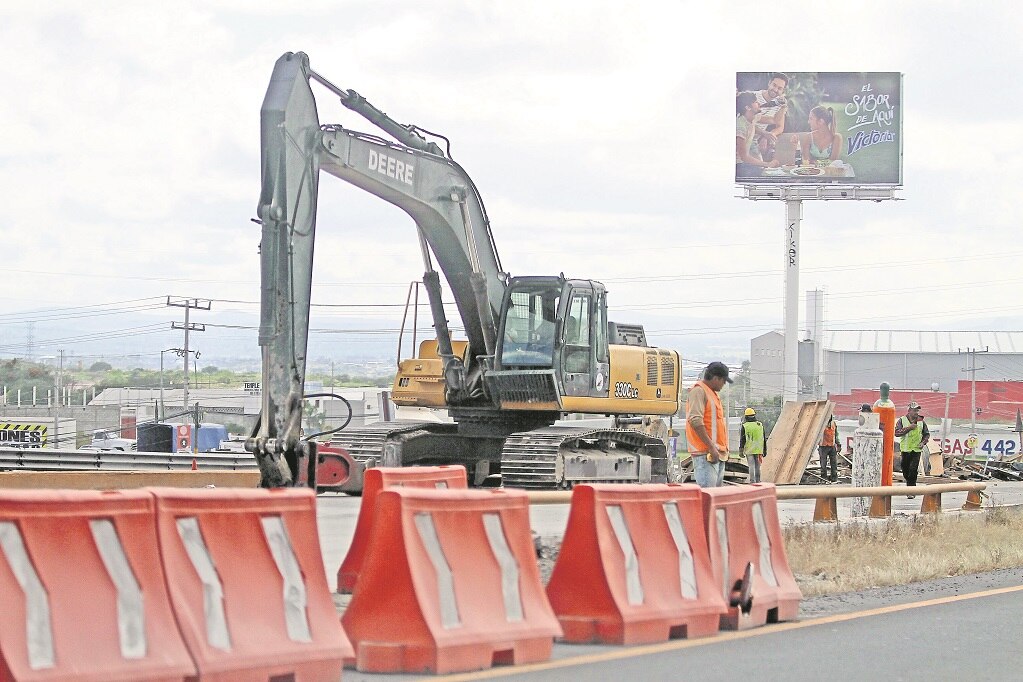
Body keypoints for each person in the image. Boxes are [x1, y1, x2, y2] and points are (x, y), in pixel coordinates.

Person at [686, 361, 732, 487]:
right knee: (708, 497)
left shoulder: (712, 394)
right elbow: (695, 420)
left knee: (715, 500)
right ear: (716, 378)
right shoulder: (699, 391)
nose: (723, 384)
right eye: (723, 381)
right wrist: (711, 446)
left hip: (716, 453)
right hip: (706, 453)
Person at [736, 91, 780, 178]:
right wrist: (767, 164)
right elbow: (744, 157)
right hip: (739, 166)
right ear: (748, 107)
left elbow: (774, 120)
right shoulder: (740, 126)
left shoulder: (753, 117)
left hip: (745, 164)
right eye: (756, 102)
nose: (759, 103)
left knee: (774, 175)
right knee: (768, 176)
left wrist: (783, 107)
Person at [894, 401, 930, 496]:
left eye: (917, 410)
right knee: (905, 470)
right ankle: (909, 484)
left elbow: (926, 434)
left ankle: (911, 491)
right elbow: (896, 433)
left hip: (916, 450)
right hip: (905, 450)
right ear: (909, 411)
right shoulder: (902, 420)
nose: (916, 412)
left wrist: (923, 443)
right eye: (915, 410)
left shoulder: (921, 422)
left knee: (913, 470)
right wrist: (909, 428)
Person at [754, 72, 790, 162]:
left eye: (780, 88)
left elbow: (780, 127)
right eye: (774, 85)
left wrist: (768, 136)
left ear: (783, 91)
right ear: (769, 83)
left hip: (755, 141)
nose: (775, 89)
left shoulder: (780, 103)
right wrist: (764, 134)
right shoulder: (753, 96)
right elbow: (745, 122)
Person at [738, 407, 766, 483]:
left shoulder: (745, 426)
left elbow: (742, 439)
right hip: (758, 449)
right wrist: (764, 450)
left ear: (746, 416)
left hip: (749, 449)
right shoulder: (759, 425)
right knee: (758, 466)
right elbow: (763, 438)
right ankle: (758, 481)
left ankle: (752, 481)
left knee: (751, 466)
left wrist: (741, 450)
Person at [819, 415, 840, 482]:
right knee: (823, 463)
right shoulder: (821, 424)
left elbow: (836, 434)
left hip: (832, 446)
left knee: (834, 463)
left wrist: (838, 443)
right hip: (823, 446)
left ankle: (834, 477)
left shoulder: (833, 423)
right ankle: (824, 478)